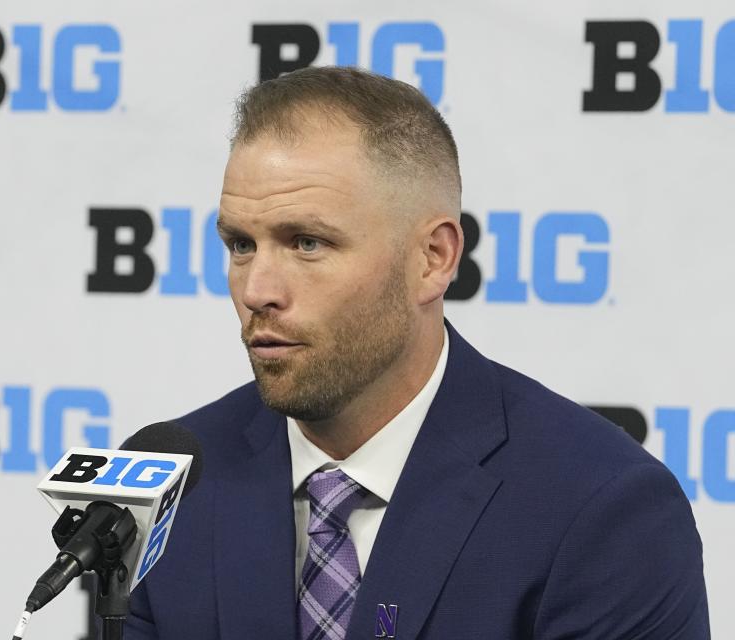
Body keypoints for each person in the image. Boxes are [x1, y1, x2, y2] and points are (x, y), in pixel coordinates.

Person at [125, 66, 710, 639]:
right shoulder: (177, 484)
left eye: (307, 242)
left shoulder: (601, 509)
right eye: (241, 244)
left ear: (433, 258)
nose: (257, 290)